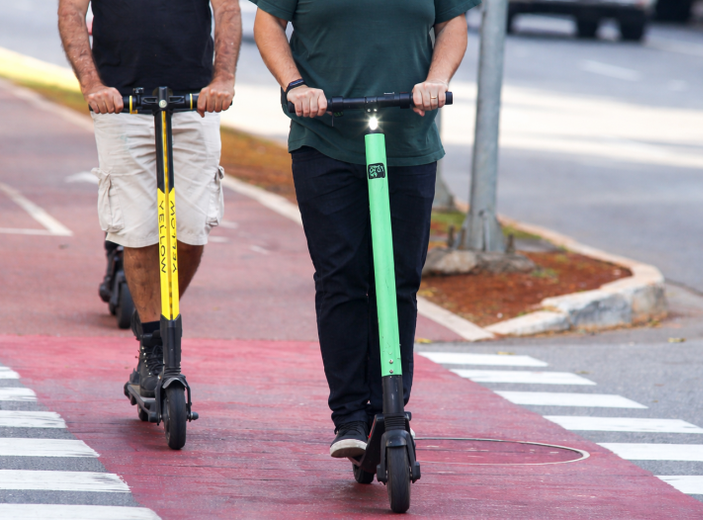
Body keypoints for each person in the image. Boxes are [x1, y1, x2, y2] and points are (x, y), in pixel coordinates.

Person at [252, 0, 476, 457]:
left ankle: (390, 409)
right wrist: (295, 85)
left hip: (408, 139)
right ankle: (351, 416)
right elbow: (269, 22)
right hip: (326, 136)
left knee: (399, 281)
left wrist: (437, 79)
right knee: (341, 278)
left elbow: (452, 22)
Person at [58, 0, 241, 397]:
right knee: (138, 229)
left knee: (193, 228)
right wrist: (92, 85)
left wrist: (223, 78)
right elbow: (70, 12)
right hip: (121, 104)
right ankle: (154, 346)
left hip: (195, 103)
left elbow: (227, 9)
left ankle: (152, 316)